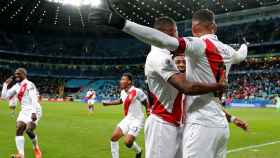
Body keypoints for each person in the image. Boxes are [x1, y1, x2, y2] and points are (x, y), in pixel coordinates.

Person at [89, 7, 247, 158]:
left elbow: (196, 99)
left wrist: (231, 118)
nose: (178, 36)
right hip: (163, 124)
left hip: (182, 124)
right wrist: (120, 23)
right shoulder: (158, 56)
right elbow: (187, 88)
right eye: (176, 32)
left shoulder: (182, 57)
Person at [102, 73, 149, 158]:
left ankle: (138, 151)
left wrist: (149, 114)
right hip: (128, 118)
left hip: (137, 120)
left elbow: (146, 102)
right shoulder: (123, 92)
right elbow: (120, 101)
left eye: (123, 79)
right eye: (121, 79)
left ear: (129, 81)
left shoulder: (137, 91)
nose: (121, 81)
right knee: (113, 138)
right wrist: (108, 104)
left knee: (127, 142)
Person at [1, 68, 42, 158]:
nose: (16, 76)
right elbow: (4, 97)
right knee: (19, 128)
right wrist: (5, 84)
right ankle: (21, 155)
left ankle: (36, 148)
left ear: (24, 74)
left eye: (18, 74)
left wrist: (34, 112)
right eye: (15, 74)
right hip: (24, 111)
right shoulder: (16, 86)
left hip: (34, 109)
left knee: (29, 130)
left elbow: (33, 98)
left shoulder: (29, 84)